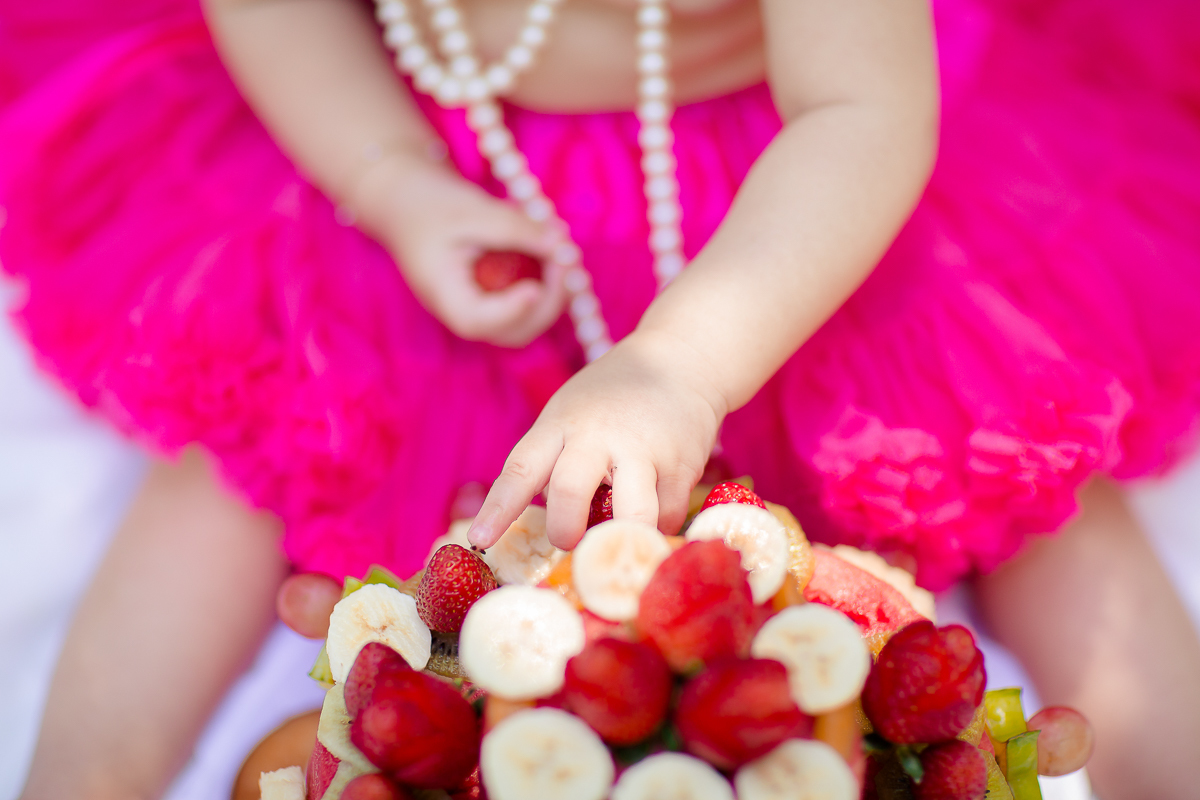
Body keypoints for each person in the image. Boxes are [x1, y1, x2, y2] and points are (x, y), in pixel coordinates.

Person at [2, 0, 1199, 797]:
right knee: (253, 450)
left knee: (1013, 462)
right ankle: (79, 770)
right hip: (436, 147)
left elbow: (864, 110)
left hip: (797, 193)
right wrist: (387, 177)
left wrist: (683, 362)